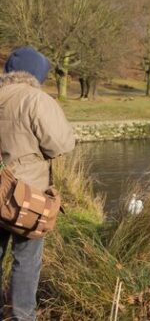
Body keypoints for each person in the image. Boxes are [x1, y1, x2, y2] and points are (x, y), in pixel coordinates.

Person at [0, 47, 75, 321]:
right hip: (25, 197)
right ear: (37, 73)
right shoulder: (36, 99)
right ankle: (23, 316)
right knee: (26, 260)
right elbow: (61, 144)